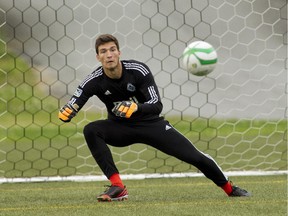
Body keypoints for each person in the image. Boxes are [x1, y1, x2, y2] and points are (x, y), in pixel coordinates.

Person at [58, 34, 251, 202]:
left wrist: (135, 107)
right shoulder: (93, 80)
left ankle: (230, 189)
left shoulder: (138, 70)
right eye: (103, 51)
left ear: (119, 53)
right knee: (91, 129)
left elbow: (157, 105)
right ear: (98, 57)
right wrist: (67, 112)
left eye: (112, 49)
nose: (109, 54)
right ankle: (117, 187)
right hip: (120, 128)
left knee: (194, 157)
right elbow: (75, 101)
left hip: (151, 124)